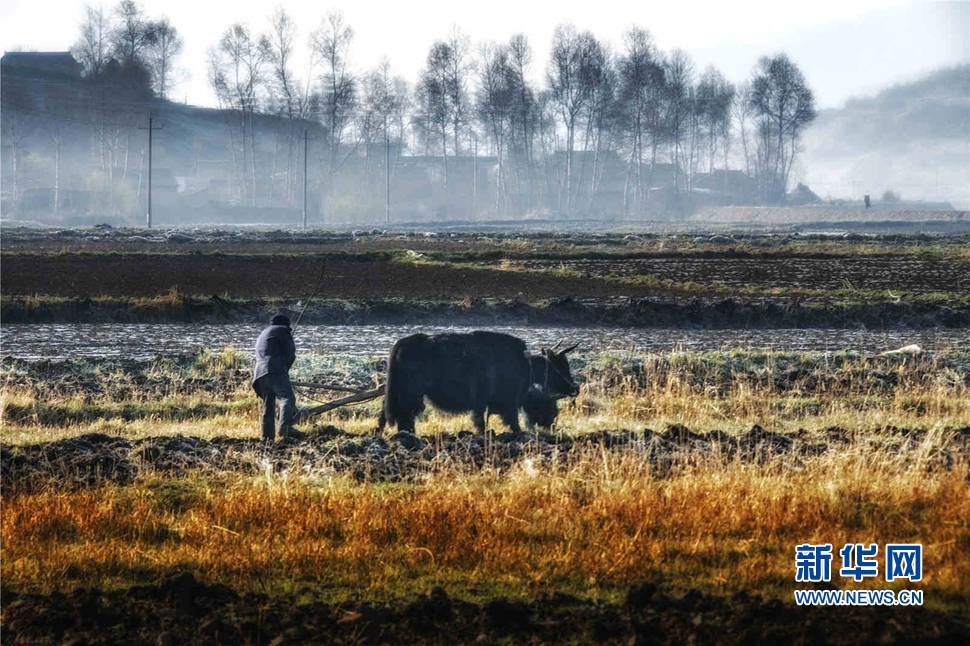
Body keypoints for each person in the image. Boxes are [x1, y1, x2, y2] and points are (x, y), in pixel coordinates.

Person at [252, 313, 299, 440]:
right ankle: (285, 428)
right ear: (286, 325)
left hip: (259, 373)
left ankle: (267, 437)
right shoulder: (283, 331)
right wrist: (285, 371)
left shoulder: (264, 332)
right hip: (275, 370)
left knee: (268, 404)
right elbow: (290, 354)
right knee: (287, 398)